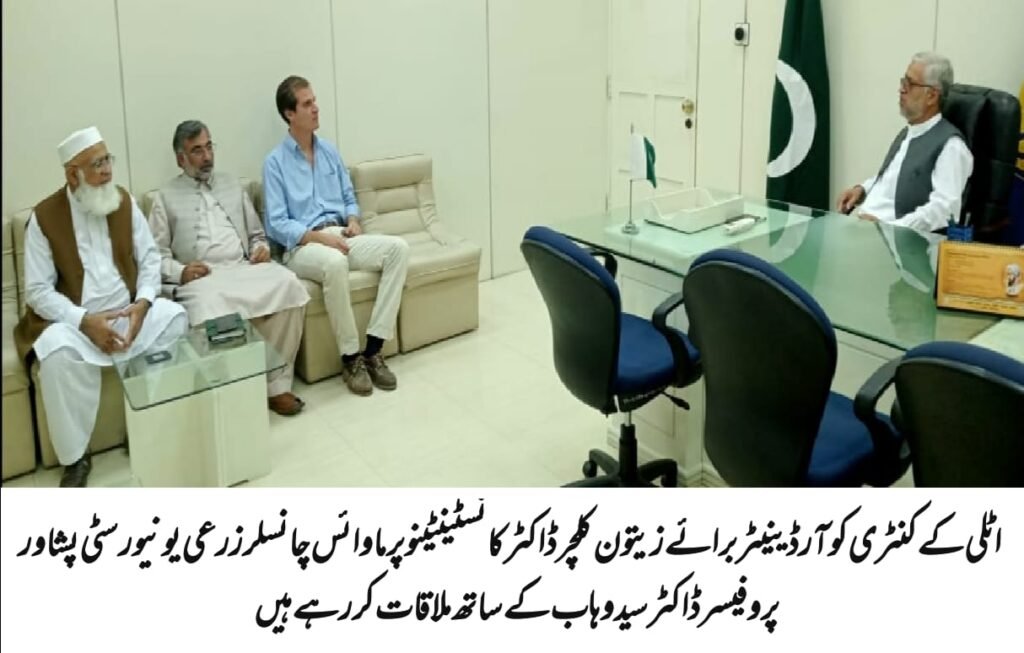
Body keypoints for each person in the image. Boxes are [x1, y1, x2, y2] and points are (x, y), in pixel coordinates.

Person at [13, 127, 189, 487]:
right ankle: (75, 458)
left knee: (174, 318)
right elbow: (37, 291)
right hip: (77, 326)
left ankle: (145, 421)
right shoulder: (44, 217)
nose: (108, 170)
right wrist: (84, 321)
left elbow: (150, 259)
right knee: (54, 351)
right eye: (97, 164)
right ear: (72, 175)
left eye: (108, 160)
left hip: (129, 314)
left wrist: (143, 304)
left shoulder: (122, 201)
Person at [148, 120, 310, 416]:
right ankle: (234, 393)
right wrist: (181, 272)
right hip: (202, 278)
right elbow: (155, 256)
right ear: (181, 159)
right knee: (208, 307)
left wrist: (260, 248)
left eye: (209, 147)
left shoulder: (232, 184)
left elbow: (256, 234)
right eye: (197, 151)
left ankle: (276, 387)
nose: (207, 156)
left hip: (242, 266)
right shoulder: (165, 197)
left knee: (289, 285)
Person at [263, 75, 410, 396]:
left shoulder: (329, 151)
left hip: (342, 235)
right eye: (307, 104)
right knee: (334, 263)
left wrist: (354, 219)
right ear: (289, 114)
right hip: (303, 247)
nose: (316, 108)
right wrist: (320, 239)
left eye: (314, 101)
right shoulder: (274, 163)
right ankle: (350, 358)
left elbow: (347, 197)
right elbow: (276, 224)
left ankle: (373, 349)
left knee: (398, 249)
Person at [836, 52, 973, 234]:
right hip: (864, 229)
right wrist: (861, 190)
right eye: (903, 82)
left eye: (910, 84)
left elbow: (945, 210)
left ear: (932, 96)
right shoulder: (909, 131)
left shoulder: (951, 146)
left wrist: (891, 228)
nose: (901, 90)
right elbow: (891, 180)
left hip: (894, 242)